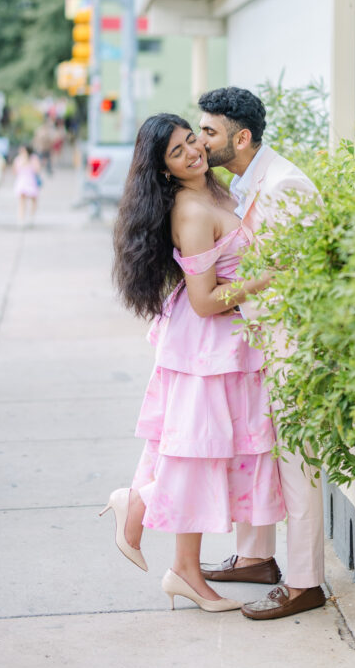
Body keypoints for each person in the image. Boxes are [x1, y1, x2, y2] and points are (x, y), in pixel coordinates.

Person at [105, 113, 285, 613]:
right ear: (163, 170)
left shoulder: (214, 185)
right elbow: (206, 301)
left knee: (205, 453)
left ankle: (149, 519)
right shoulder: (189, 209)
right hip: (207, 343)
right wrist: (268, 277)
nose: (193, 153)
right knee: (199, 454)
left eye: (192, 140)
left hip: (222, 344)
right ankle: (174, 556)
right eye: (177, 153)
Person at [197, 87, 326, 621]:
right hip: (257, 340)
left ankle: (305, 583)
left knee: (297, 462)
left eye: (209, 131)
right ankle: (256, 557)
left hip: (289, 343)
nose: (201, 139)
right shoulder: (244, 182)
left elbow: (296, 275)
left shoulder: (286, 185)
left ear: (241, 138)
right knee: (257, 451)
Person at [12, 145, 41, 226]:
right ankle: (21, 218)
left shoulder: (33, 158)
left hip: (31, 181)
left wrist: (28, 162)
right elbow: (15, 171)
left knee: (33, 200)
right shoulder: (18, 159)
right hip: (22, 182)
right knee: (22, 201)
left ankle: (31, 217)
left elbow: (37, 170)